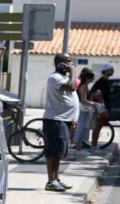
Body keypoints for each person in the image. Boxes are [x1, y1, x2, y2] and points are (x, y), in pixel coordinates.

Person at [42, 53, 79, 192]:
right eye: (68, 61)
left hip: (65, 119)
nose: (71, 64)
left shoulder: (64, 77)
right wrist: (73, 72)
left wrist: (73, 118)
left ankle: (56, 179)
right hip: (55, 119)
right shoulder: (54, 78)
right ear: (60, 63)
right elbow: (71, 87)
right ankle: (50, 181)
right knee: (53, 152)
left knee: (59, 152)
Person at [73, 68, 97, 152]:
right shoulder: (83, 86)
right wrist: (93, 104)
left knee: (83, 128)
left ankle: (79, 146)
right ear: (88, 78)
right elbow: (83, 100)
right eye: (92, 78)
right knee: (80, 127)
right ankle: (77, 146)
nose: (93, 79)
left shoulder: (85, 86)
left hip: (84, 110)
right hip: (82, 110)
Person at [90, 64, 114, 147]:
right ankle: (93, 146)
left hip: (102, 107)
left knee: (99, 127)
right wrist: (101, 109)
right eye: (111, 69)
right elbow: (99, 96)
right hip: (99, 108)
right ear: (106, 71)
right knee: (97, 127)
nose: (112, 71)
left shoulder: (105, 81)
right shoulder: (102, 81)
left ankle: (94, 145)